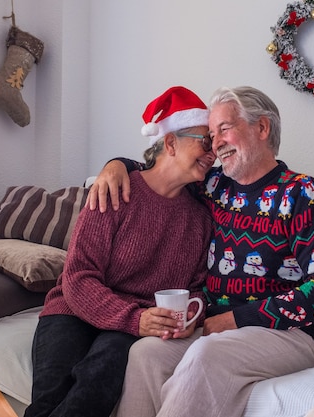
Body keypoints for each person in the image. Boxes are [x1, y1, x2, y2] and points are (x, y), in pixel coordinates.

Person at [88, 86, 314, 417]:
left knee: (207, 354)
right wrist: (117, 164)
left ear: (262, 128)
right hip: (218, 326)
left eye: (224, 129)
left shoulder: (299, 191)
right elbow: (160, 169)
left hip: (295, 334)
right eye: (211, 135)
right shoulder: (214, 186)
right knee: (146, 355)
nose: (216, 144)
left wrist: (238, 319)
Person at [24, 86, 215, 417]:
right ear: (170, 142)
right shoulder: (116, 190)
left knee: (99, 379)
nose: (212, 153)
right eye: (204, 141)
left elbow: (197, 286)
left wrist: (190, 317)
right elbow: (78, 275)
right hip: (73, 308)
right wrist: (134, 318)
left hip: (132, 323)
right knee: (50, 395)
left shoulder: (200, 217)